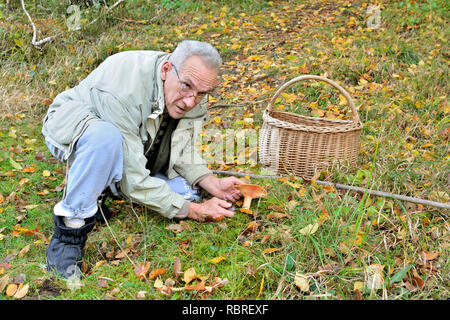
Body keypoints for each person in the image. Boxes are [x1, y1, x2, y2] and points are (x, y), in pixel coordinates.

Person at [41, 40, 243, 279]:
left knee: (186, 189)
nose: (190, 101)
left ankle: (103, 189)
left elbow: (182, 148)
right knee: (105, 139)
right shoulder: (122, 87)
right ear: (166, 70)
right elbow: (134, 179)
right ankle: (69, 233)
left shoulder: (195, 87)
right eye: (186, 86)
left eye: (201, 93)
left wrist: (210, 182)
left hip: (131, 138)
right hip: (73, 125)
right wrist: (193, 211)